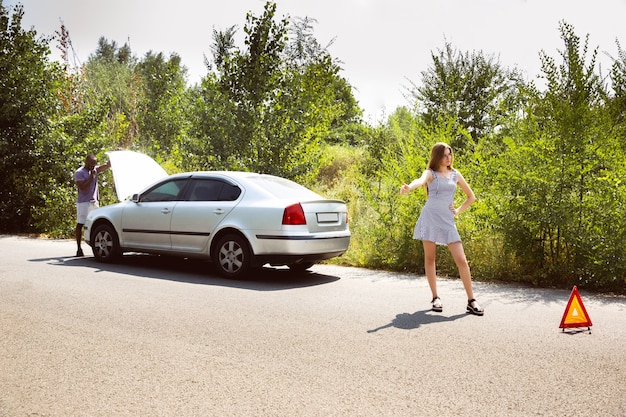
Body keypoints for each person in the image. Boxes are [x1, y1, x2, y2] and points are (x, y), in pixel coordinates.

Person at [400, 142, 484, 316]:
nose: (448, 157)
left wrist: (458, 211)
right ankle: (435, 297)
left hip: (447, 221)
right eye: (445, 155)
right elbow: (420, 181)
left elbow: (471, 197)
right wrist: (409, 187)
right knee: (430, 259)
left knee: (462, 260)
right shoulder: (431, 173)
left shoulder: (455, 174)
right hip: (429, 218)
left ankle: (471, 300)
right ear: (437, 156)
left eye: (450, 154)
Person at [74, 153, 111, 256]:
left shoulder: (94, 170)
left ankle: (97, 248)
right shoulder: (79, 172)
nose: (92, 166)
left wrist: (115, 153)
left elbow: (107, 165)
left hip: (94, 202)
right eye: (91, 164)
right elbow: (82, 187)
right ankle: (79, 248)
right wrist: (91, 177)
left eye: (94, 164)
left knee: (97, 223)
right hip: (84, 202)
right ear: (86, 161)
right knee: (80, 224)